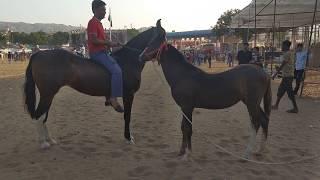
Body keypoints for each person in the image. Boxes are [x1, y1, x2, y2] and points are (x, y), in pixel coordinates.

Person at [87, 0, 124, 113]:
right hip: (97, 54)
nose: (104, 12)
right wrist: (108, 43)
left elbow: (101, 40)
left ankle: (108, 95)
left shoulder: (99, 23)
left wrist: (112, 43)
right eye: (102, 10)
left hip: (102, 52)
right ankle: (113, 98)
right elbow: (93, 40)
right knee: (117, 71)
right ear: (95, 10)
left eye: (105, 10)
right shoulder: (93, 22)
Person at [271, 40, 298, 113]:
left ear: (286, 46)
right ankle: (276, 105)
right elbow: (286, 64)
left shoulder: (287, 54)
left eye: (283, 45)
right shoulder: (290, 53)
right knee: (281, 90)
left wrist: (275, 73)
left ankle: (295, 108)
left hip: (288, 76)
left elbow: (283, 64)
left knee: (290, 93)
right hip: (287, 76)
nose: (282, 47)